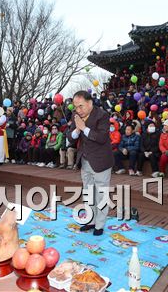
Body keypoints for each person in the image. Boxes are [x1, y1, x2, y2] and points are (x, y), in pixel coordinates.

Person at [67, 90, 114, 236]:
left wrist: (84, 128)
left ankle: (99, 225)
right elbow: (69, 137)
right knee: (88, 193)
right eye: (76, 107)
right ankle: (90, 221)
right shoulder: (76, 116)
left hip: (100, 161)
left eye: (81, 106)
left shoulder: (102, 115)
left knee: (101, 194)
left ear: (90, 103)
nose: (78, 110)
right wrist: (76, 129)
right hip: (85, 160)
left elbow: (101, 137)